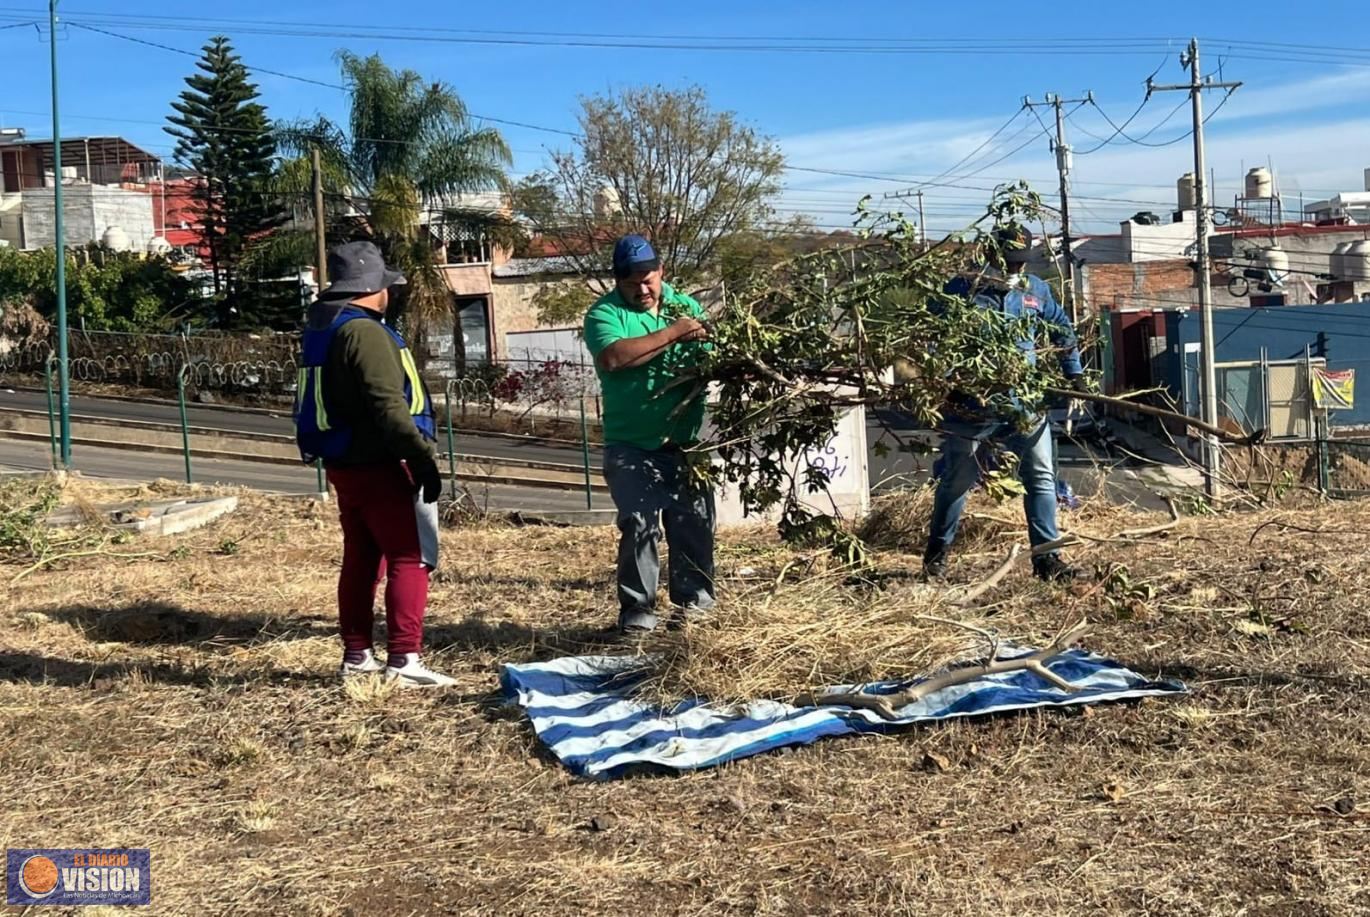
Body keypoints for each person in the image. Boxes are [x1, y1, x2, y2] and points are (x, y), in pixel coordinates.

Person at [294, 240, 455, 687]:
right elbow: (389, 406)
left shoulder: (324, 328)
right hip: (383, 462)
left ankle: (356, 654)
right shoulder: (364, 332)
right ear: (373, 288)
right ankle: (404, 660)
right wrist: (421, 459)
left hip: (344, 464)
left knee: (362, 558)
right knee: (411, 556)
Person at [923, 227, 1087, 582]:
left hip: (1023, 405)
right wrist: (944, 377)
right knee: (957, 479)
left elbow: (1062, 328)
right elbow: (931, 331)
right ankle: (936, 556)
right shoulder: (962, 288)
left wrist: (1074, 373)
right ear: (992, 256)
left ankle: (1047, 560)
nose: (1015, 269)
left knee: (1041, 476)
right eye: (1009, 261)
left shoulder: (1034, 290)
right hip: (970, 404)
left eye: (1020, 262)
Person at [583, 234, 715, 634]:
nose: (642, 288)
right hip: (631, 444)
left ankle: (696, 605)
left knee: (694, 521)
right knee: (641, 524)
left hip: (685, 442)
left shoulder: (684, 305)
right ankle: (638, 613)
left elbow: (708, 353)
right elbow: (616, 357)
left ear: (661, 271)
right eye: (631, 283)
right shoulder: (603, 315)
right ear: (617, 282)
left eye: (648, 278)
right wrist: (674, 332)